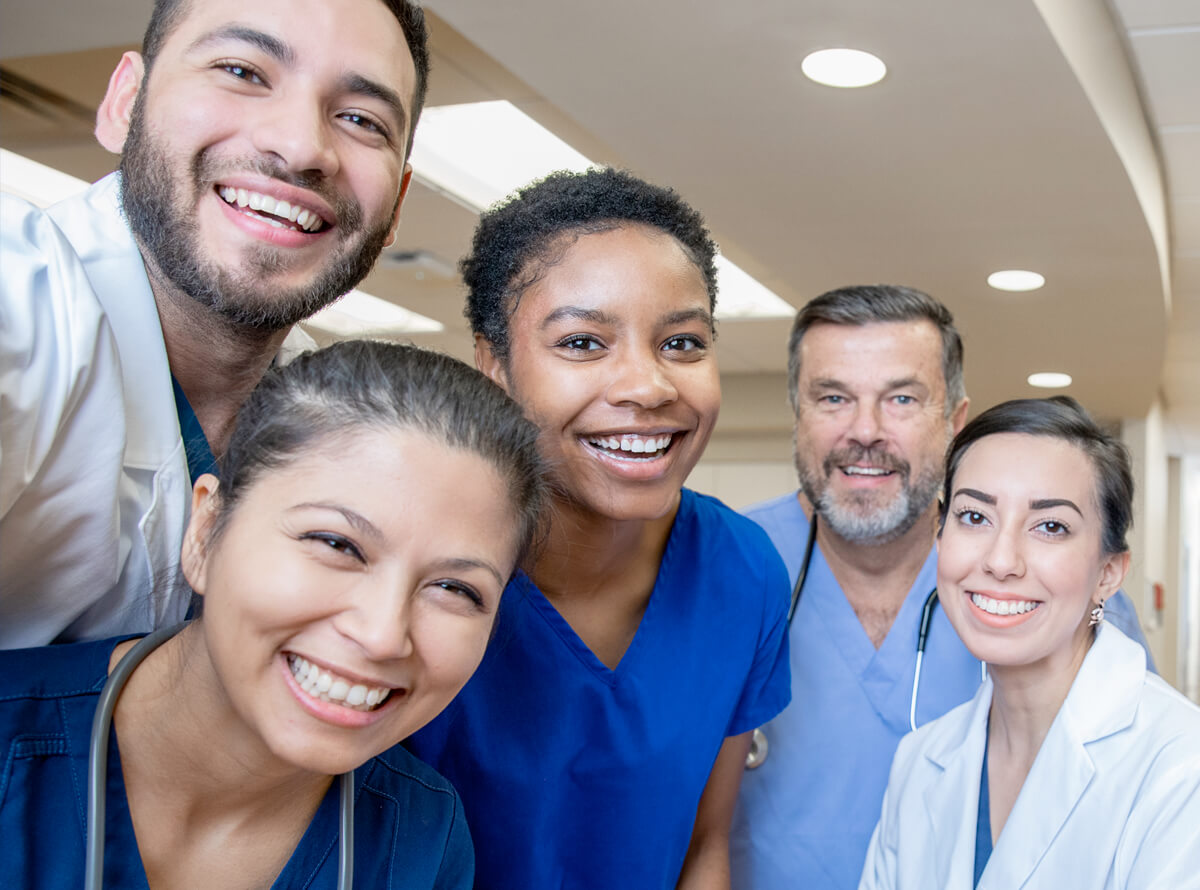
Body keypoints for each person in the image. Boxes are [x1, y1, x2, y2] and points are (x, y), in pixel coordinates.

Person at [0, 340, 548, 889]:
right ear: (206, 533)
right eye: (336, 544)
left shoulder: (421, 840)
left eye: (454, 588)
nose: (383, 636)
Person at [0, 0, 429, 647]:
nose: (301, 145)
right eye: (241, 71)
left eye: (361, 119)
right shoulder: (21, 300)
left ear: (396, 204)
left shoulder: (324, 410)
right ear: (125, 102)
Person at [407, 168, 792, 889]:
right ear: (495, 365)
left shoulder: (741, 570)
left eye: (682, 343)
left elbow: (705, 844)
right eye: (584, 343)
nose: (648, 387)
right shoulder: (415, 560)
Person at [730, 285, 1151, 889]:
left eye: (902, 398)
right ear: (798, 416)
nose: (865, 430)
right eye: (832, 397)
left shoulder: (1057, 593)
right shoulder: (727, 569)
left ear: (955, 421)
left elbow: (1140, 783)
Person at [859, 397, 1200, 889]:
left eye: (1050, 526)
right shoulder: (920, 761)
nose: (1001, 560)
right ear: (939, 538)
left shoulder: (1180, 767)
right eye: (975, 517)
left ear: (1108, 573)